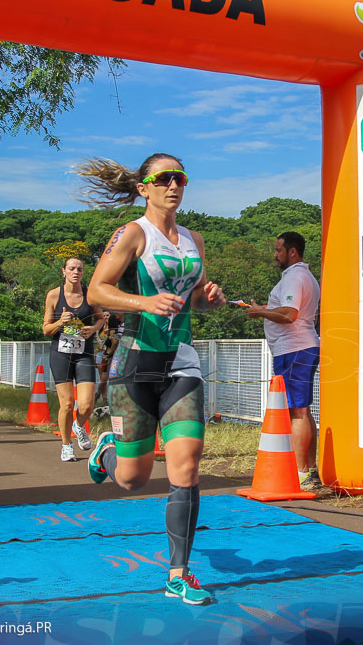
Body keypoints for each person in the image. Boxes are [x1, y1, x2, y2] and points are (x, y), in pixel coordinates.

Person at [80, 153, 225, 605]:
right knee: (132, 480)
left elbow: (194, 299)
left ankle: (178, 573)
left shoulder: (194, 239)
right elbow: (96, 290)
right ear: (144, 187)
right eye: (163, 178)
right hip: (135, 364)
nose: (173, 185)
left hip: (181, 361)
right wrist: (143, 303)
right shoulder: (131, 234)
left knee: (187, 462)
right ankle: (108, 452)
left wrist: (209, 297)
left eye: (180, 177)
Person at [246, 231, 320, 488]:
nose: (275, 255)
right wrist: (262, 310)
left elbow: (289, 313)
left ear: (292, 252)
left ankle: (301, 473)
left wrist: (260, 312)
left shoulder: (295, 276)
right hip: (300, 347)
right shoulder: (303, 276)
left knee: (296, 410)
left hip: (294, 349)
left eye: (278, 250)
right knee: (302, 409)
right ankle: (309, 469)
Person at [42, 257, 104, 462]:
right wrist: (60, 321)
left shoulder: (90, 295)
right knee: (67, 404)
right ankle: (66, 445)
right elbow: (46, 329)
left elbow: (101, 318)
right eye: (71, 268)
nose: (76, 272)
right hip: (61, 353)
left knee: (86, 405)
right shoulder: (53, 295)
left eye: (79, 269)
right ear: (64, 271)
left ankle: (79, 426)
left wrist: (93, 329)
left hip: (84, 353)